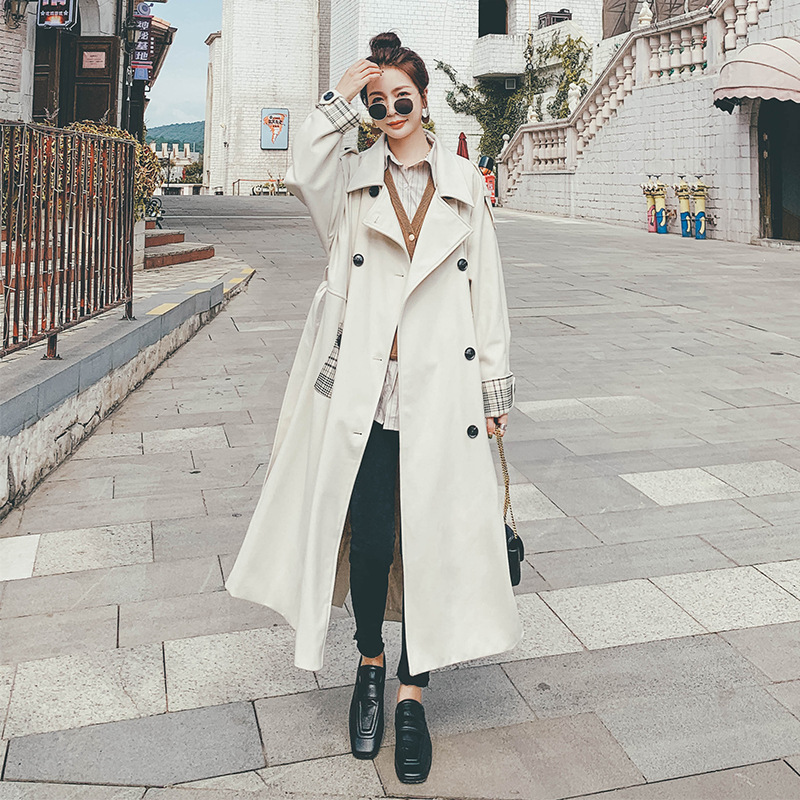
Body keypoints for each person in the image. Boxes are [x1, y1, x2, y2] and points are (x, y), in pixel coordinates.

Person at [224, 30, 522, 786]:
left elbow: (486, 289)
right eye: (379, 102)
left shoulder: (465, 183)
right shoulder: (351, 182)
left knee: (430, 539)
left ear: (425, 101)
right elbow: (302, 168)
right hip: (368, 390)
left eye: (402, 99)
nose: (391, 112)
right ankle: (367, 664)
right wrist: (339, 98)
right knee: (369, 538)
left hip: (442, 392)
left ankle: (412, 694)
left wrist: (494, 389)